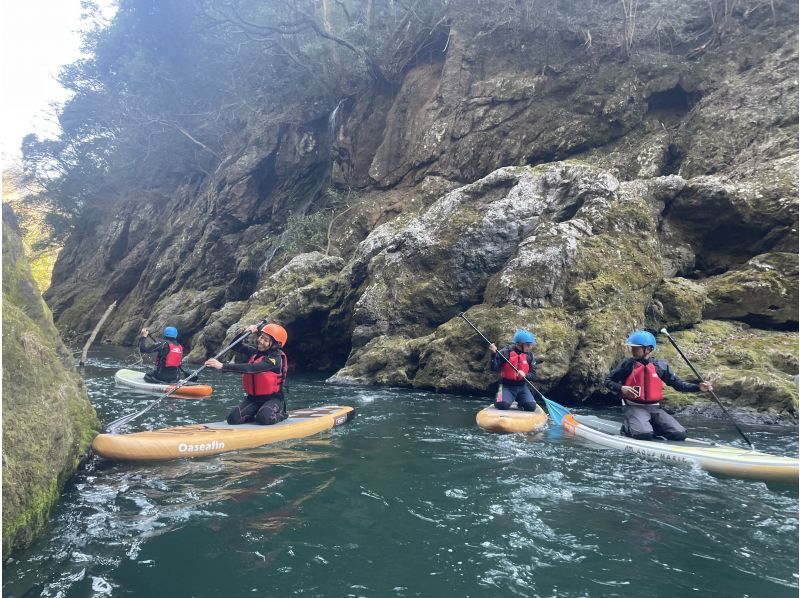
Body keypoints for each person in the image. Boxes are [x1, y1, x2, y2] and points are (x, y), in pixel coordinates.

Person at [604, 330, 713, 441]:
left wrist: (698, 387)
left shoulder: (660, 366)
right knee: (643, 435)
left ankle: (652, 427)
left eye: (636, 348)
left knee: (680, 434)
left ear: (648, 349)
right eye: (632, 348)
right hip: (634, 406)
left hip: (655, 407)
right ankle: (627, 428)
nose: (633, 351)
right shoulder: (627, 364)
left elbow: (678, 384)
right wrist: (621, 388)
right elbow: (608, 381)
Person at [204, 323, 289, 425]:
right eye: (261, 337)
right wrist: (245, 332)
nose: (261, 341)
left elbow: (251, 368)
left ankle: (282, 415)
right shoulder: (254, 351)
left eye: (266, 340)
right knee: (232, 419)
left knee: (264, 418)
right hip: (253, 399)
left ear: (275, 344)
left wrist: (222, 366)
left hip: (273, 399)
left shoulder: (275, 359)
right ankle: (258, 413)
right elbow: (235, 345)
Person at [488, 329, 538, 411]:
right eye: (528, 345)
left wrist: (525, 375)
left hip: (522, 387)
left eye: (530, 345)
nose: (530, 347)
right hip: (505, 386)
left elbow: (534, 375)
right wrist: (493, 354)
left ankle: (521, 401)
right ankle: (499, 397)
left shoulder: (529, 356)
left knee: (530, 406)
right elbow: (494, 368)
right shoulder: (505, 353)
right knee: (502, 405)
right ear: (519, 344)